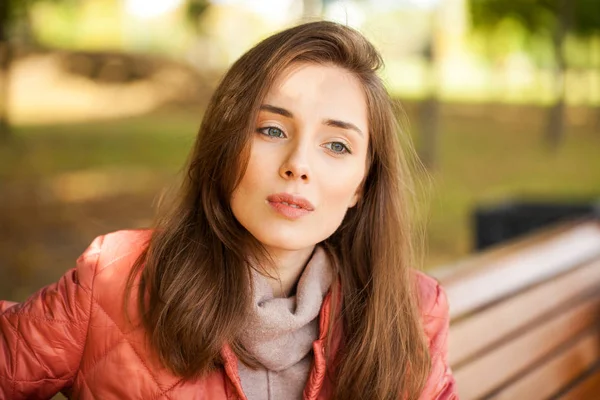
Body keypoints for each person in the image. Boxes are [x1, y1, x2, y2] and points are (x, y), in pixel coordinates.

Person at [0, 21, 456, 400]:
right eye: (272, 130)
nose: (298, 165)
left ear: (362, 184)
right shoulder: (116, 281)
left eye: (337, 145)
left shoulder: (410, 313)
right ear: (226, 145)